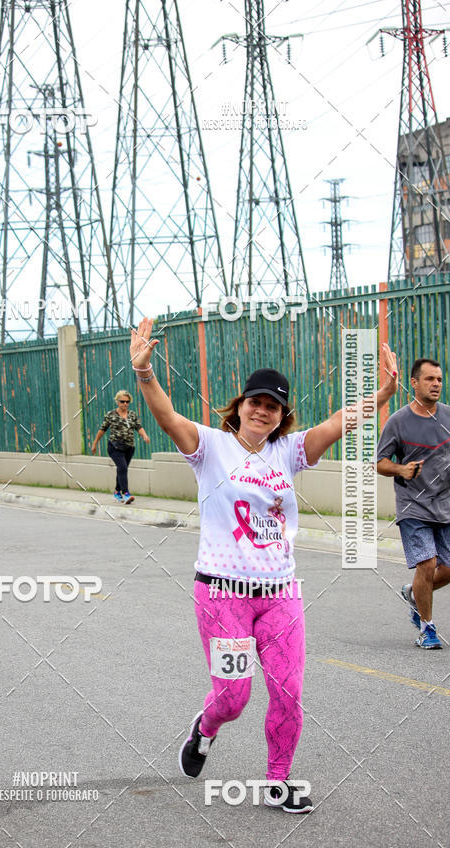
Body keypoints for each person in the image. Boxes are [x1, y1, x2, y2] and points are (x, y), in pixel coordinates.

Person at [130, 317, 398, 813]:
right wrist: (145, 373)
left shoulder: (290, 451)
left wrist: (382, 395)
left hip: (279, 594)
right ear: (242, 404)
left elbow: (339, 422)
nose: (263, 410)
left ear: (281, 415)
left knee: (288, 691)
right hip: (222, 595)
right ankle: (206, 728)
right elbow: (167, 417)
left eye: (273, 406)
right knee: (233, 697)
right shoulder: (210, 446)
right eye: (256, 401)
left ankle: (279, 780)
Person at [377, 357, 450, 650]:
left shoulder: (448, 417)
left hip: (444, 504)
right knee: (427, 562)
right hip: (413, 506)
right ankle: (427, 628)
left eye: (440, 379)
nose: (436, 384)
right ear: (415, 383)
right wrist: (400, 469)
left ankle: (414, 592)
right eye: (430, 379)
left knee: (447, 569)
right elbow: (380, 463)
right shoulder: (399, 421)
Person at [90, 389, 150, 503]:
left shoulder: (132, 415)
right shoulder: (111, 415)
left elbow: (138, 427)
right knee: (122, 467)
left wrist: (144, 436)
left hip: (129, 447)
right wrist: (95, 443)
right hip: (114, 447)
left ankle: (117, 492)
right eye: (122, 401)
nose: (125, 404)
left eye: (127, 402)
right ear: (117, 401)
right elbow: (102, 430)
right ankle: (126, 493)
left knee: (122, 469)